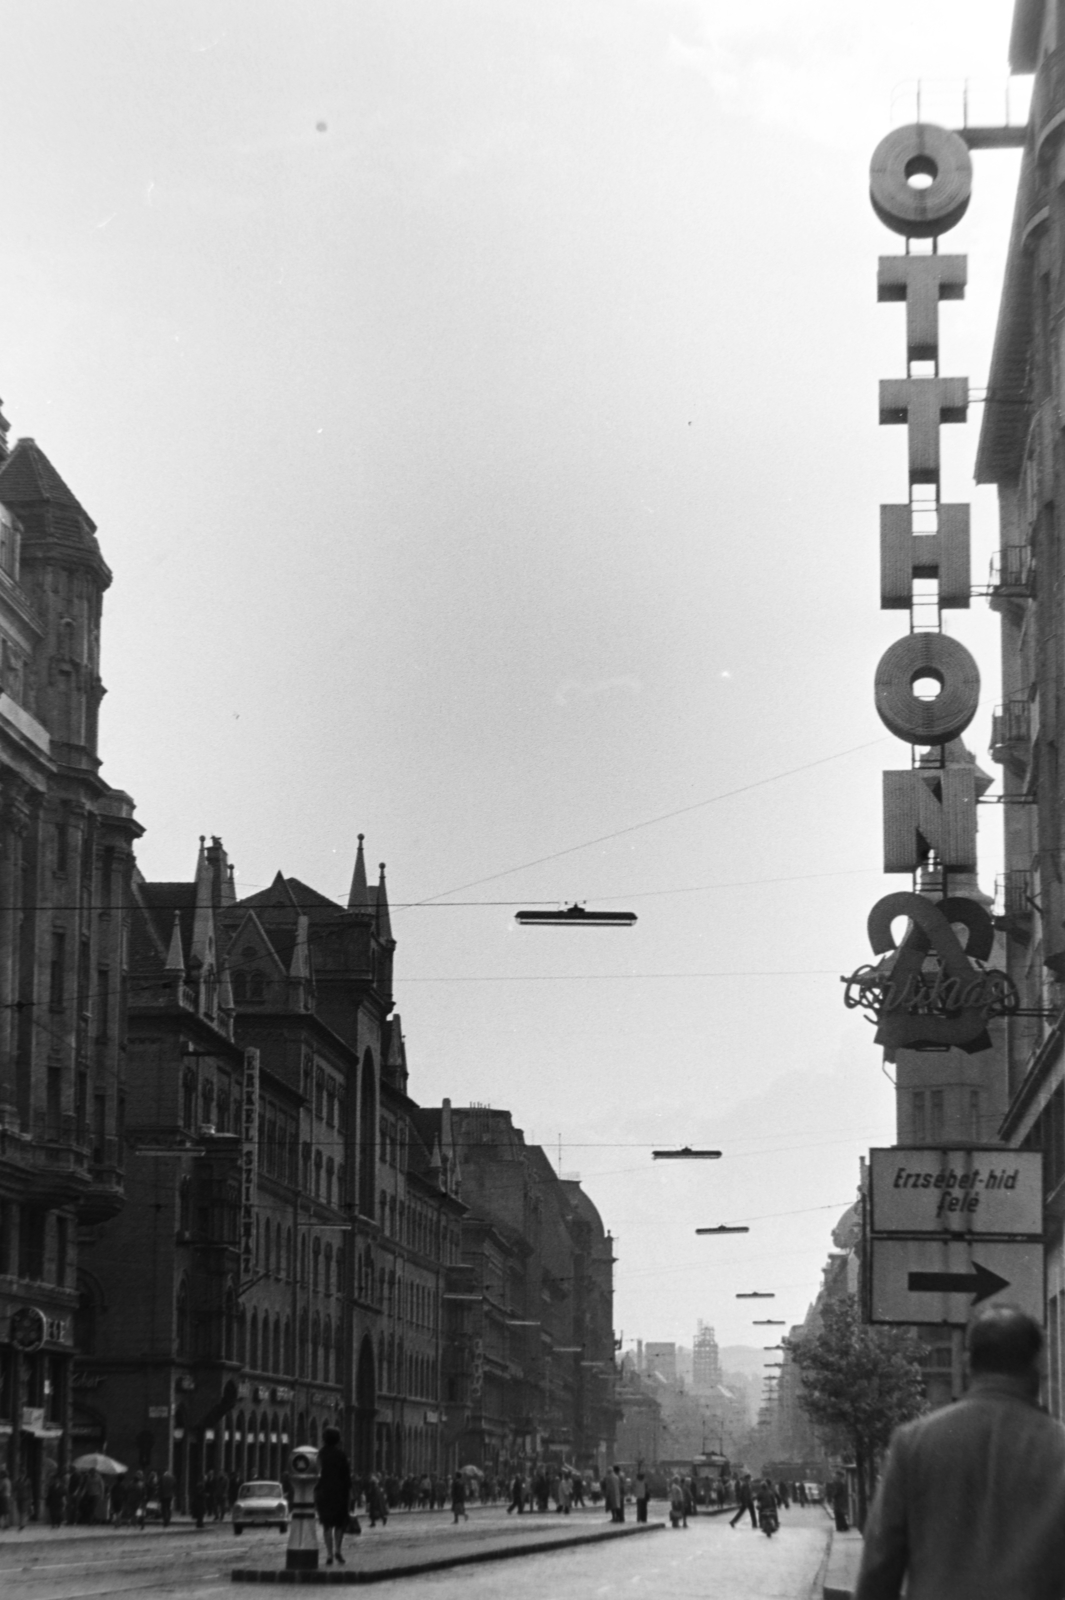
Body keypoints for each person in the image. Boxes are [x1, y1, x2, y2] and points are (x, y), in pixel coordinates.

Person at [856, 1305, 1065, 1600]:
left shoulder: (913, 1443)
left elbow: (879, 1569)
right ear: (1040, 1363)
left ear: (967, 1363)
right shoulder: (1058, 1447)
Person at [316, 1426, 354, 1565]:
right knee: (339, 1525)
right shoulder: (341, 1455)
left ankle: (329, 1554)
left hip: (324, 1494)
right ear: (338, 1439)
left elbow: (316, 1475)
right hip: (340, 1494)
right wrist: (350, 1497)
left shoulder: (320, 1455)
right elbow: (347, 1478)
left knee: (327, 1526)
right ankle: (338, 1550)